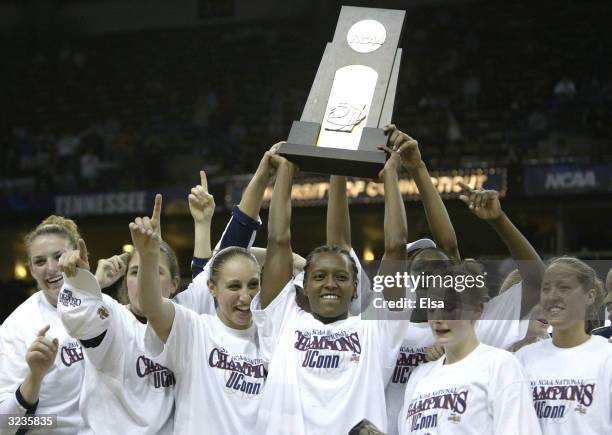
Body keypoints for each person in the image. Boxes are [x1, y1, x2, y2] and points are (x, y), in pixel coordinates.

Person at [251, 133, 412, 434]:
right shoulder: (283, 319)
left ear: (355, 287)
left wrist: (391, 175)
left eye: (341, 277)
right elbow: (278, 239)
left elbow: (396, 247)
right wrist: (285, 171)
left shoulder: (376, 329)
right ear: (304, 285)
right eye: (319, 276)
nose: (329, 284)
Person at [138, 190, 267, 434]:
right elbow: (151, 305)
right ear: (212, 288)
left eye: (252, 285)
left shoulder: (270, 335)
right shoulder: (195, 328)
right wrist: (148, 258)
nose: (245, 296)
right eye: (234, 286)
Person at [397, 263, 542, 435]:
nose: (438, 318)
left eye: (449, 308)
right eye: (431, 308)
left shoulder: (500, 365)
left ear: (476, 310)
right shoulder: (419, 377)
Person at [0, 216, 86, 434]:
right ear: (30, 269)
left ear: (78, 254)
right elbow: (4, 425)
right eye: (39, 261)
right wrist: (35, 376)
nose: (51, 268)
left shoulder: (106, 309)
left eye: (59, 256)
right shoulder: (16, 328)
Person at [517, 257, 611, 435]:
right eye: (546, 289)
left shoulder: (607, 357)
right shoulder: (522, 359)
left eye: (564, 288)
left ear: (589, 296)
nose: (552, 296)